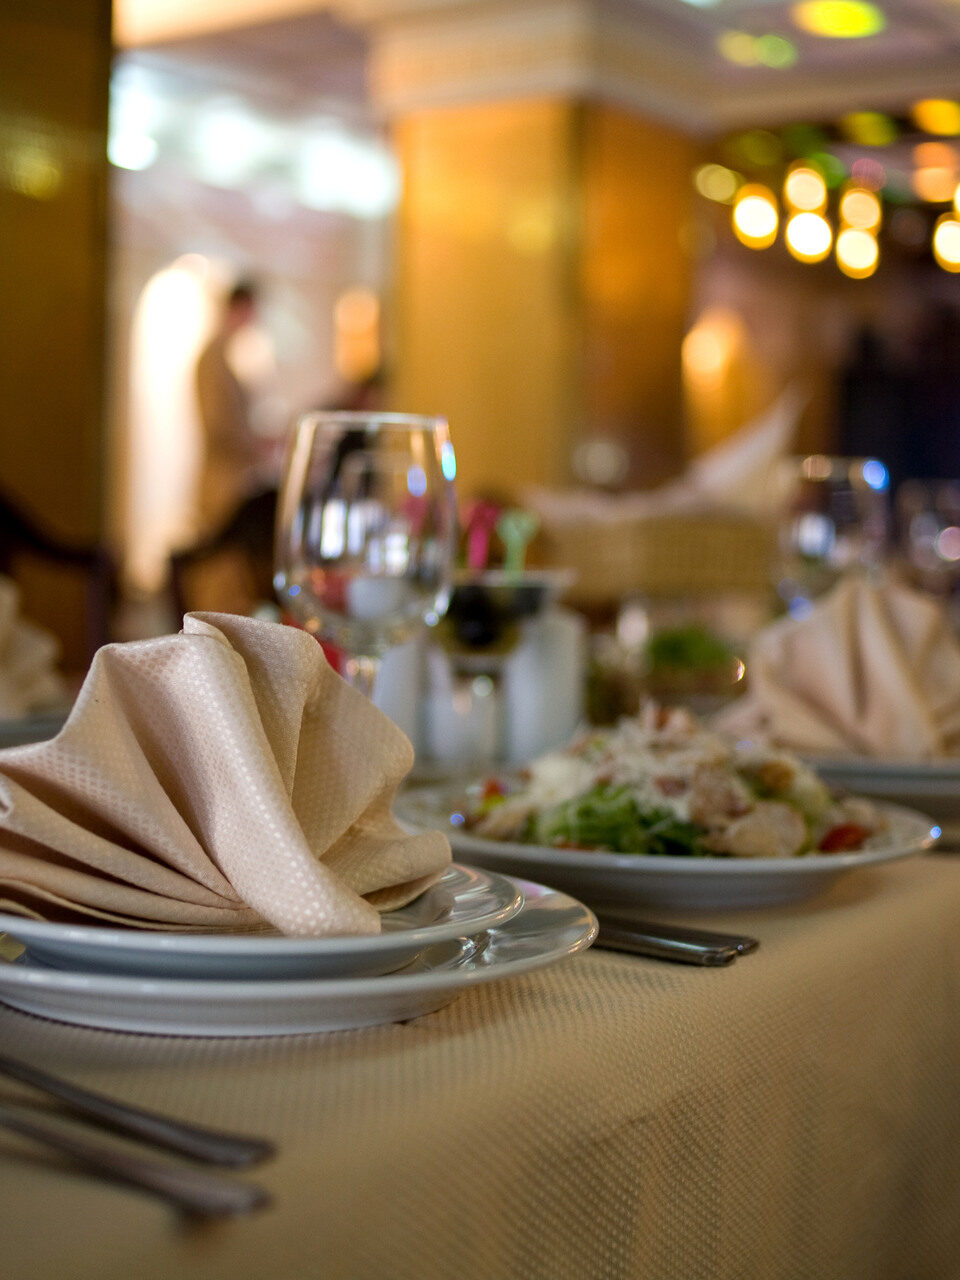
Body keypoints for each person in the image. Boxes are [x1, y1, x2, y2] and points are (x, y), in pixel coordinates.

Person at [194, 280, 261, 535]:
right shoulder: (212, 359)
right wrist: (256, 446)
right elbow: (218, 426)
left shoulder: (221, 356)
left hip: (231, 482)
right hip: (221, 484)